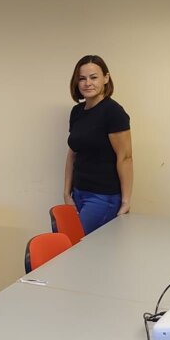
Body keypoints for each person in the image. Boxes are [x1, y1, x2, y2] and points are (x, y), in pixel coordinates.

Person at [63, 55, 133, 234]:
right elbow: (72, 153)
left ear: (106, 78)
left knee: (76, 242)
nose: (87, 83)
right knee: (72, 243)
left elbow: (125, 157)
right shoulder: (77, 112)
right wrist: (67, 193)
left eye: (93, 77)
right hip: (78, 193)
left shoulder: (113, 112)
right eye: (82, 78)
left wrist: (126, 201)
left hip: (103, 197)